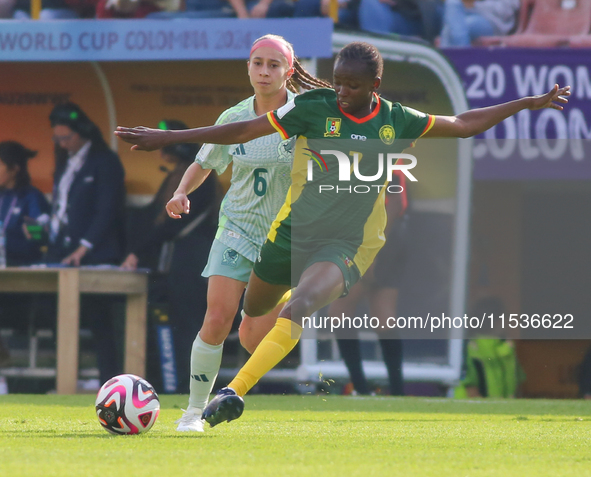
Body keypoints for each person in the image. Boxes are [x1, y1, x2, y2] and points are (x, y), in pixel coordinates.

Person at [115, 41, 570, 428]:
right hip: (290, 234)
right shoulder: (313, 108)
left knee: (299, 306)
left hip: (345, 243)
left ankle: (232, 394)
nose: (343, 92)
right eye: (338, 82)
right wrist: (170, 139)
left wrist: (525, 104)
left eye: (353, 85)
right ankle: (253, 364)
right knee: (251, 317)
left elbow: (464, 124)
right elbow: (246, 129)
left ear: (375, 85)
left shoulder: (395, 119)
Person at [163, 35, 331, 432]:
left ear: (289, 72)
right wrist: (181, 192)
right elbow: (205, 161)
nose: (264, 71)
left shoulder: (304, 115)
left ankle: (239, 376)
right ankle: (192, 412)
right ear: (249, 67)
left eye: (274, 65)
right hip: (236, 228)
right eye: (258, 63)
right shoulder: (233, 117)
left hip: (284, 239)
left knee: (253, 337)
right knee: (217, 318)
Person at [121, 119, 219, 395]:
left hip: (193, 262)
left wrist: (137, 251)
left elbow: (167, 225)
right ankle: (177, 384)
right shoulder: (177, 175)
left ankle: (187, 387)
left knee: (190, 326)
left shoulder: (197, 179)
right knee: (183, 325)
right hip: (183, 262)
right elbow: (153, 217)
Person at [46, 102, 127, 385]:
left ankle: (109, 380)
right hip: (62, 252)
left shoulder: (104, 161)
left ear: (82, 133)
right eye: (57, 138)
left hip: (95, 254)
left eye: (66, 138)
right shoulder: (64, 161)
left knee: (99, 319)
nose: (62, 144)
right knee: (59, 316)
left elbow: (106, 211)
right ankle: (65, 378)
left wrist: (83, 247)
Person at [330, 172, 409, 396]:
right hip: (387, 235)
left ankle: (362, 389)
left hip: (378, 237)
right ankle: (395, 391)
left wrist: (373, 249)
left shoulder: (375, 151)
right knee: (383, 316)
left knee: (340, 311)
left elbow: (396, 201)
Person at [0, 141, 50, 266]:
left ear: (14, 169)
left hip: (22, 268)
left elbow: (38, 240)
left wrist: (6, 244)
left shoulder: (31, 197)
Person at [439, 0, 519, 47]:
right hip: (469, 13)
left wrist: (474, 5)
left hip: (494, 22)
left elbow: (504, 11)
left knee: (456, 27)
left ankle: (460, 60)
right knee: (452, 5)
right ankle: (460, 60)